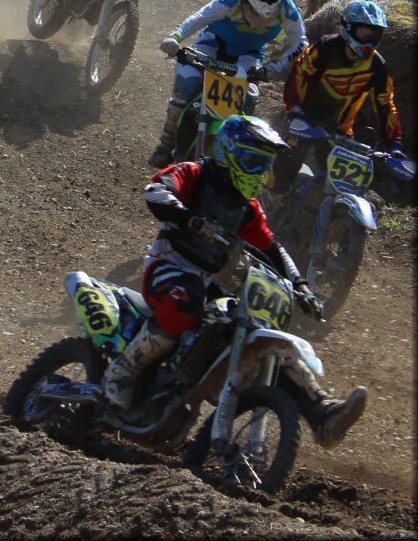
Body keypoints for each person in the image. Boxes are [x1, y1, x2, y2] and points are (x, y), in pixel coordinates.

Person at [102, 115, 368, 449]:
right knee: (189, 298)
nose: (260, 172)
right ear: (229, 153)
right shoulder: (195, 174)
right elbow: (156, 192)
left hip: (210, 282)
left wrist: (300, 286)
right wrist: (191, 218)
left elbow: (272, 248)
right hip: (168, 267)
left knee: (255, 328)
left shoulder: (246, 209)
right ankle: (123, 371)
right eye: (253, 161)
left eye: (265, 165)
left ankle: (323, 413)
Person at [147, 0, 308, 169]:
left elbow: (301, 41)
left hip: (248, 55)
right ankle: (165, 146)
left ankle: (236, 150)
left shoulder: (286, 8)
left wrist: (275, 68)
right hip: (213, 45)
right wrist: (175, 37)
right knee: (187, 85)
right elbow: (201, 17)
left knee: (249, 97)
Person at [268, 0, 406, 195]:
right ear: (349, 28)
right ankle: (269, 208)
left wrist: (395, 146)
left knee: (342, 189)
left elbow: (386, 106)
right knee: (280, 178)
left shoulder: (378, 66)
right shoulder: (327, 46)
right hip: (304, 121)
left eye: (373, 35)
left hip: (340, 132)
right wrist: (295, 110)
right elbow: (299, 73)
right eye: (363, 33)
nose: (368, 41)